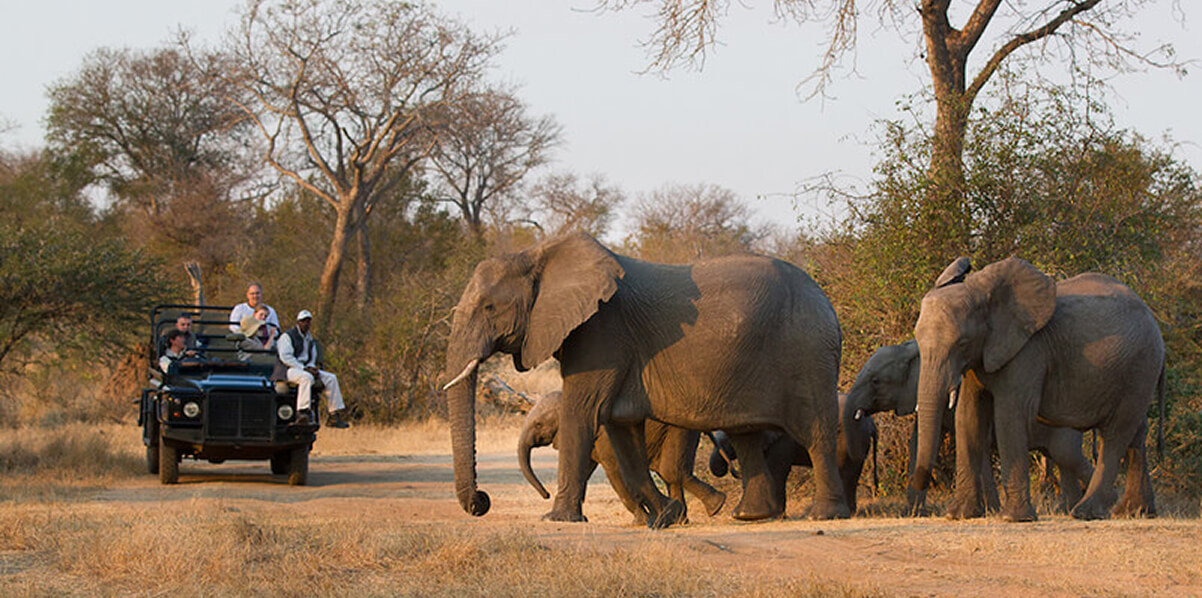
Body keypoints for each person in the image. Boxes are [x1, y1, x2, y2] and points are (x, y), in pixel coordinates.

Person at [274, 310, 349, 428]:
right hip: (289, 369)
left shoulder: (310, 340)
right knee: (306, 378)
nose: (306, 324)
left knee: (331, 378)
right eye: (304, 321)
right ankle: (302, 412)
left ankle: (334, 415)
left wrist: (312, 368)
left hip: (305, 368)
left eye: (308, 321)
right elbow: (286, 357)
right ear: (298, 322)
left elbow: (312, 358)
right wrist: (304, 368)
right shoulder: (287, 336)